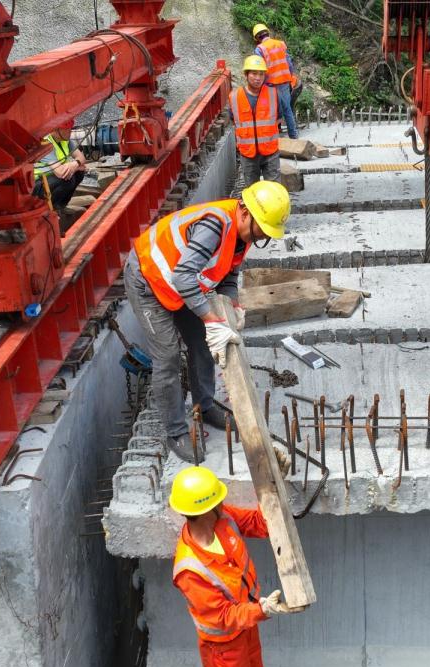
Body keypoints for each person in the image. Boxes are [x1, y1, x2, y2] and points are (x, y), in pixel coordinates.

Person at [124, 181, 290, 463]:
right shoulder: (215, 226)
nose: (260, 237)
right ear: (245, 212)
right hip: (149, 280)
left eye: (266, 234)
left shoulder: (244, 234)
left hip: (180, 285)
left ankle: (205, 404)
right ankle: (176, 431)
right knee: (168, 356)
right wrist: (210, 318)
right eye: (261, 229)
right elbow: (182, 276)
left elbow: (228, 276)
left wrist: (231, 305)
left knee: (201, 340)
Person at [170, 466, 293, 667]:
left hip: (246, 628)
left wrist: (275, 484)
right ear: (203, 510)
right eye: (216, 504)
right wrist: (261, 609)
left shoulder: (223, 521)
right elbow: (222, 617)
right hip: (223, 646)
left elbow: (261, 524)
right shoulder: (189, 569)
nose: (222, 507)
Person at [229, 56, 280, 188]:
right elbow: (233, 119)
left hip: (270, 152)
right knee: (252, 192)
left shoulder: (273, 94)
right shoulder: (235, 97)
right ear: (246, 75)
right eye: (254, 73)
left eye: (261, 74)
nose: (258, 78)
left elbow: (279, 117)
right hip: (248, 154)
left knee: (274, 190)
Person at [252, 23, 299, 140]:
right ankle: (293, 136)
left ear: (257, 38)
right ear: (268, 33)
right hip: (284, 81)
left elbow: (259, 69)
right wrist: (290, 77)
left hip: (270, 84)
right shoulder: (280, 44)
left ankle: (272, 137)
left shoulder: (260, 49)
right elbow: (289, 63)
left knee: (271, 111)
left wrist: (258, 85)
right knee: (287, 109)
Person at [33, 118, 87, 213]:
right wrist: (77, 166)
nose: (70, 131)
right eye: (67, 129)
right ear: (56, 130)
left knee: (79, 173)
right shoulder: (45, 143)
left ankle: (60, 206)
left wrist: (75, 164)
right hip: (38, 185)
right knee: (67, 179)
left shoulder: (65, 140)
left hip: (51, 179)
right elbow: (60, 173)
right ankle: (49, 210)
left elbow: (81, 158)